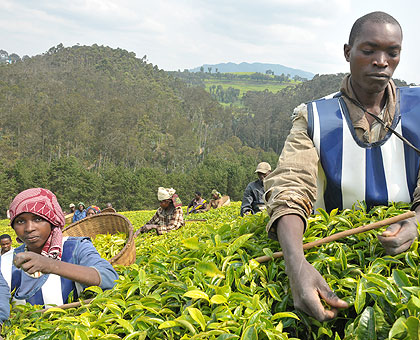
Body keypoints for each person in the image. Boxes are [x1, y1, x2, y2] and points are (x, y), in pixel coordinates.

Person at [264, 11, 420, 322]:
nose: (381, 61)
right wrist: (296, 265)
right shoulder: (314, 117)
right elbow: (290, 188)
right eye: (369, 50)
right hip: (338, 261)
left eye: (393, 52)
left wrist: (416, 222)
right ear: (348, 52)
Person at [0, 188, 118, 328]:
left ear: (52, 221)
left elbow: (110, 278)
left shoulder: (76, 247)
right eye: (20, 221)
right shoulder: (6, 262)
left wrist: (51, 265)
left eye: (38, 219)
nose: (29, 228)